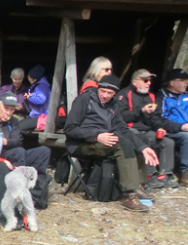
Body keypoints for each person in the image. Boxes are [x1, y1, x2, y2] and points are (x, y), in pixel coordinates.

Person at [64, 74, 159, 211]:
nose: (105, 95)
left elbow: (123, 129)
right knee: (123, 144)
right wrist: (96, 136)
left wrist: (143, 148)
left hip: (105, 142)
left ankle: (137, 185)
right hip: (81, 144)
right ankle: (129, 195)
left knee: (136, 141)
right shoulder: (84, 100)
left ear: (115, 94)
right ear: (98, 88)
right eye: (102, 91)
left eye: (109, 93)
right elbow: (70, 129)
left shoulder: (114, 104)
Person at [116, 69, 179, 189]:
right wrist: (141, 111)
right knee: (143, 140)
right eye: (145, 80)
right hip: (130, 130)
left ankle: (164, 175)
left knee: (168, 142)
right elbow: (120, 117)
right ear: (135, 82)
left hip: (147, 130)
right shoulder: (123, 94)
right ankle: (150, 176)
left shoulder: (151, 96)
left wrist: (159, 128)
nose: (148, 83)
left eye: (150, 80)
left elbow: (155, 117)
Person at [0, 92, 51, 177]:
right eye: (6, 108)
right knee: (19, 151)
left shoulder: (13, 121)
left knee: (44, 151)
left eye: (12, 110)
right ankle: (17, 182)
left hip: (13, 153)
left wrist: (5, 141)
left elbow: (18, 140)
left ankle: (36, 184)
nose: (8, 113)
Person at [156, 68, 188, 186]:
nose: (186, 83)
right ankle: (185, 173)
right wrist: (181, 127)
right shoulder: (162, 97)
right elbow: (160, 120)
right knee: (187, 137)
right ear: (172, 83)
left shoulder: (186, 96)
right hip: (172, 131)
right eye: (183, 80)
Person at [17, 64, 51, 131]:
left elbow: (41, 99)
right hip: (36, 116)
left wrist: (29, 97)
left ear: (33, 78)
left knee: (18, 128)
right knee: (17, 126)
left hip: (40, 117)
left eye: (28, 76)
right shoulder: (40, 85)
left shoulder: (42, 86)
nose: (28, 78)